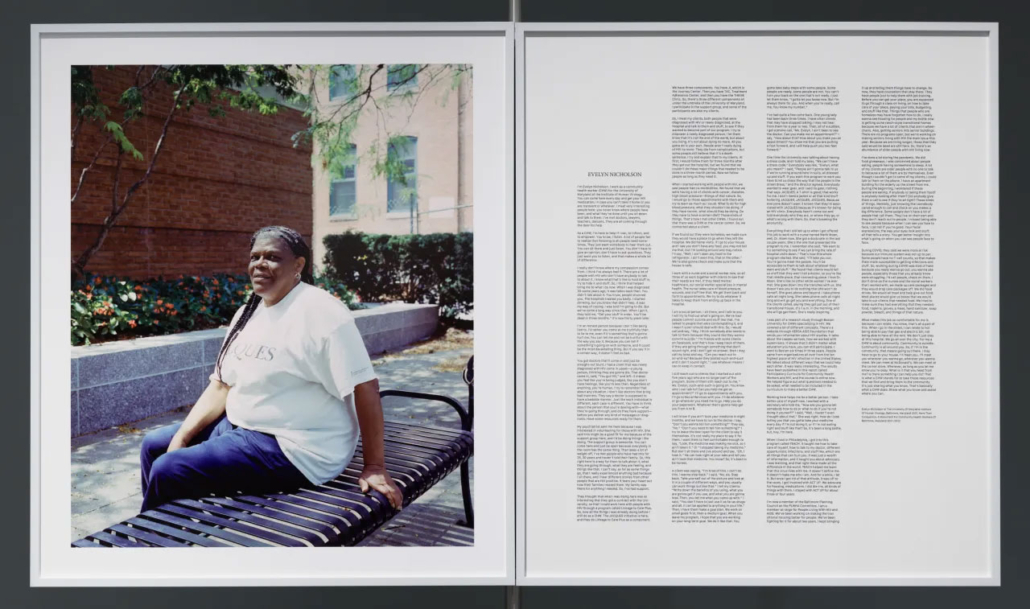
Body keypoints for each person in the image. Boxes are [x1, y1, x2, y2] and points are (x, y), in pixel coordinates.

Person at [138, 225, 403, 514]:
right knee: (155, 446)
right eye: (255, 257)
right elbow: (221, 386)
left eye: (273, 257)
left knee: (169, 468)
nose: (260, 265)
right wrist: (182, 437)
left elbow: (365, 386)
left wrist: (375, 466)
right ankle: (170, 530)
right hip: (242, 428)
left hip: (296, 446)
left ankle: (153, 548)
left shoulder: (322, 313)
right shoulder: (248, 312)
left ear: (298, 265)